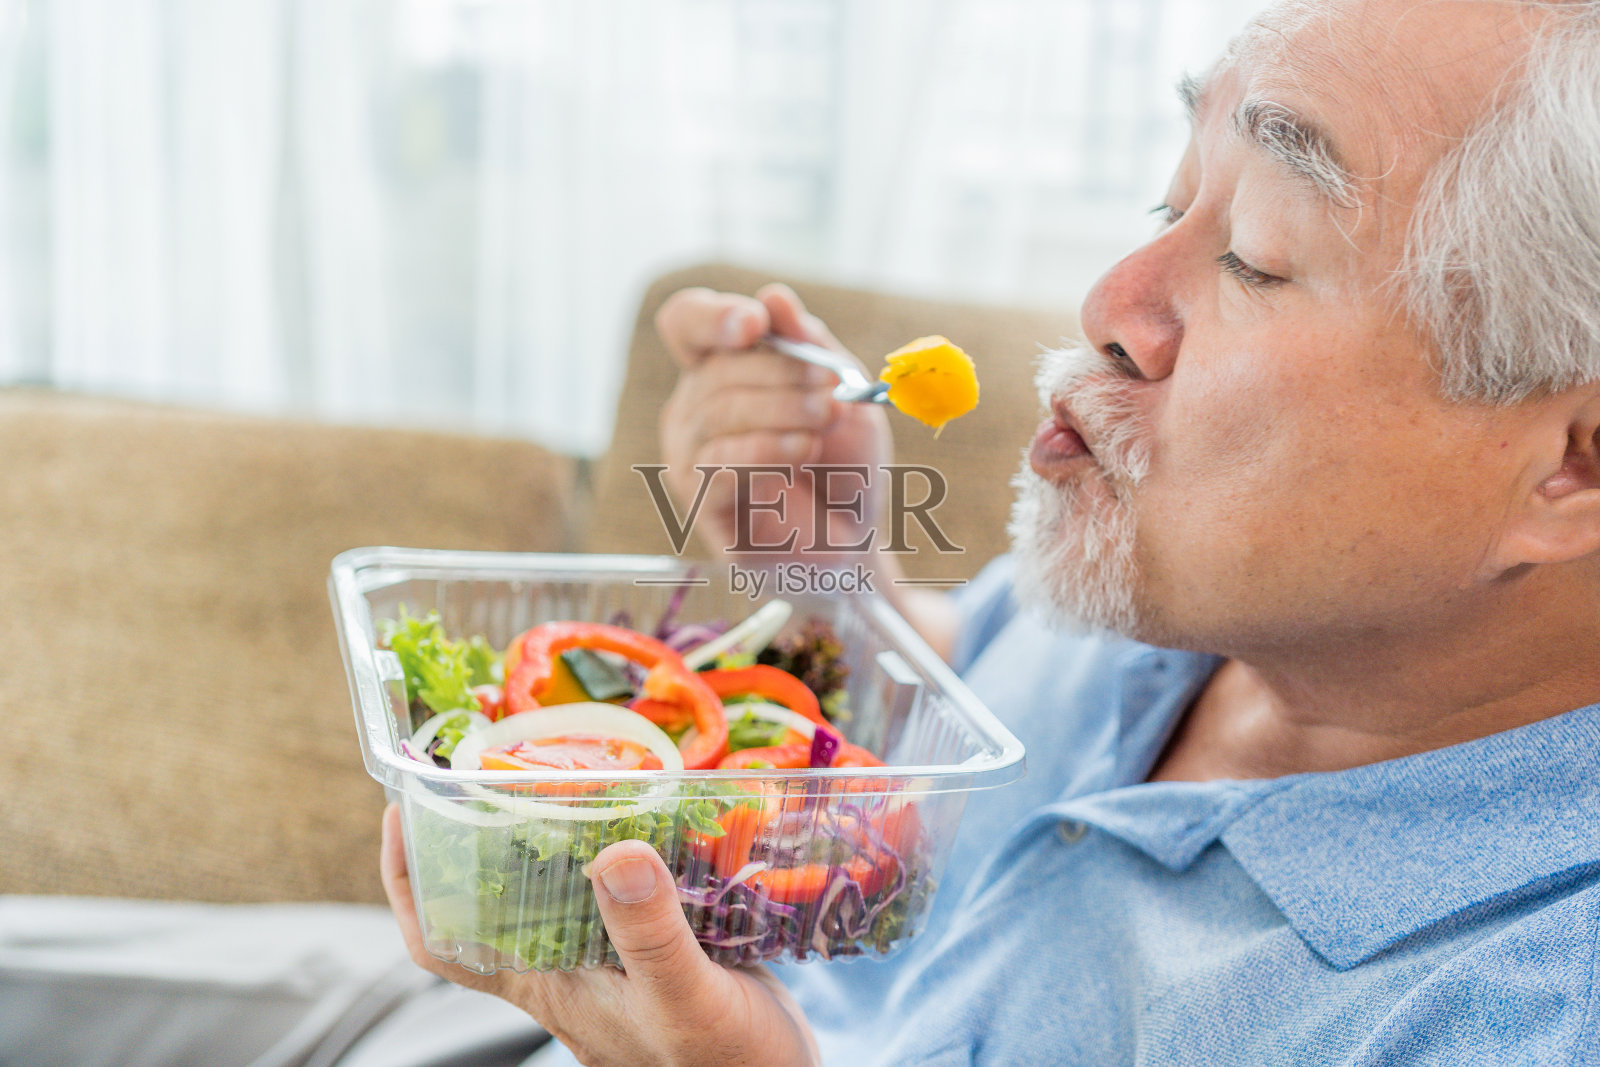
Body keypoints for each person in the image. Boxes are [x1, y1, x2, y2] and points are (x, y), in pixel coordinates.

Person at [379, 0, 1600, 1062]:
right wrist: (831, 575)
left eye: (1257, 256)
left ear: (1572, 466)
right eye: (1167, 199)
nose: (1110, 301)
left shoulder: (1524, 1011)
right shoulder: (1202, 581)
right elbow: (960, 678)